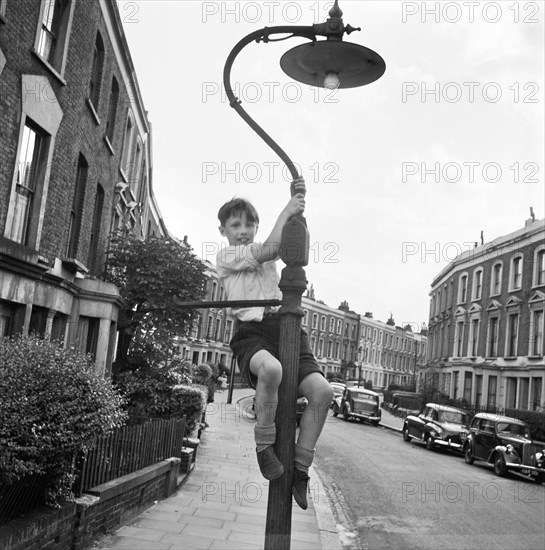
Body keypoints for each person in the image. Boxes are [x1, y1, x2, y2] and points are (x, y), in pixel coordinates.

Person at [216, 178, 333, 510]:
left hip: (286, 328)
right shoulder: (228, 256)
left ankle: (300, 470)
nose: (243, 230)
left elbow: (281, 245)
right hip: (252, 333)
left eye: (249, 223)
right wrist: (290, 206)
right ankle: (264, 445)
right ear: (223, 229)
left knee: (323, 393)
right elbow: (269, 248)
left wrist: (296, 204)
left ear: (257, 226)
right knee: (271, 369)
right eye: (235, 224)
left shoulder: (267, 256)